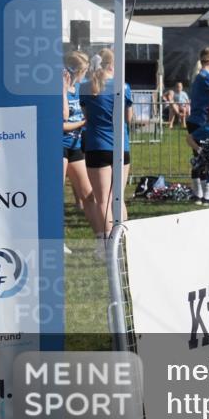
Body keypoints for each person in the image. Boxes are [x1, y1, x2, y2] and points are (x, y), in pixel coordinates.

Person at [79, 48, 132, 260]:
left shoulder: (85, 87)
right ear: (113, 64)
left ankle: (107, 244)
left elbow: (86, 115)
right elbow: (128, 118)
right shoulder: (124, 86)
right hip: (121, 146)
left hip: (96, 146)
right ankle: (124, 242)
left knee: (103, 200)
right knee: (118, 198)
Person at [62, 51, 102, 254]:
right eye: (83, 71)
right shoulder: (59, 88)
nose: (84, 75)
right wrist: (84, 122)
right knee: (55, 195)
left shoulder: (79, 88)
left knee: (88, 195)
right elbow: (62, 121)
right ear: (73, 70)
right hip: (59, 145)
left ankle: (100, 239)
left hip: (75, 147)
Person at [187, 48, 209, 203]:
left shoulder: (199, 76)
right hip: (202, 121)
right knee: (205, 157)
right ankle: (206, 193)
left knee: (197, 157)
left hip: (194, 120)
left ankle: (198, 193)